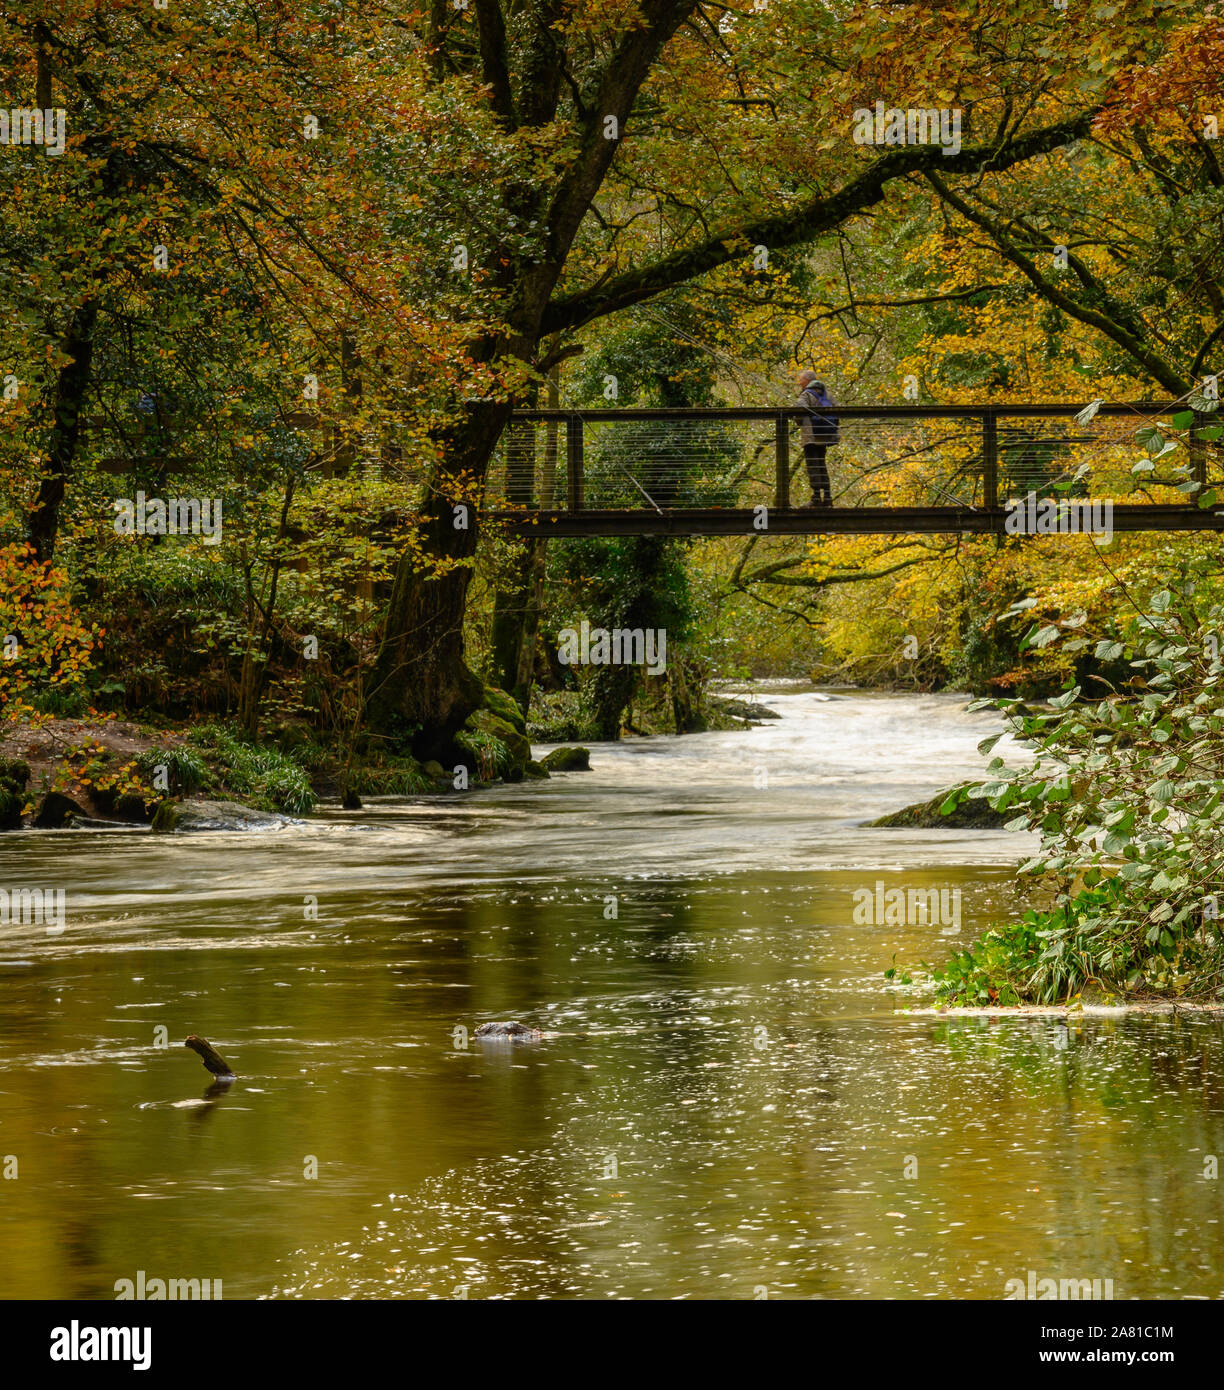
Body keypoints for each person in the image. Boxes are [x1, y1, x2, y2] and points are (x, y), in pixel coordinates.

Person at [797, 370, 839, 507]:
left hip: (811, 436)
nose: (799, 382)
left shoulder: (806, 394)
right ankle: (827, 496)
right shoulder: (827, 395)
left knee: (813, 465)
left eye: (801, 380)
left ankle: (816, 497)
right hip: (825, 436)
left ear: (808, 381)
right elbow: (837, 409)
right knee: (821, 464)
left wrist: (798, 420)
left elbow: (799, 411)